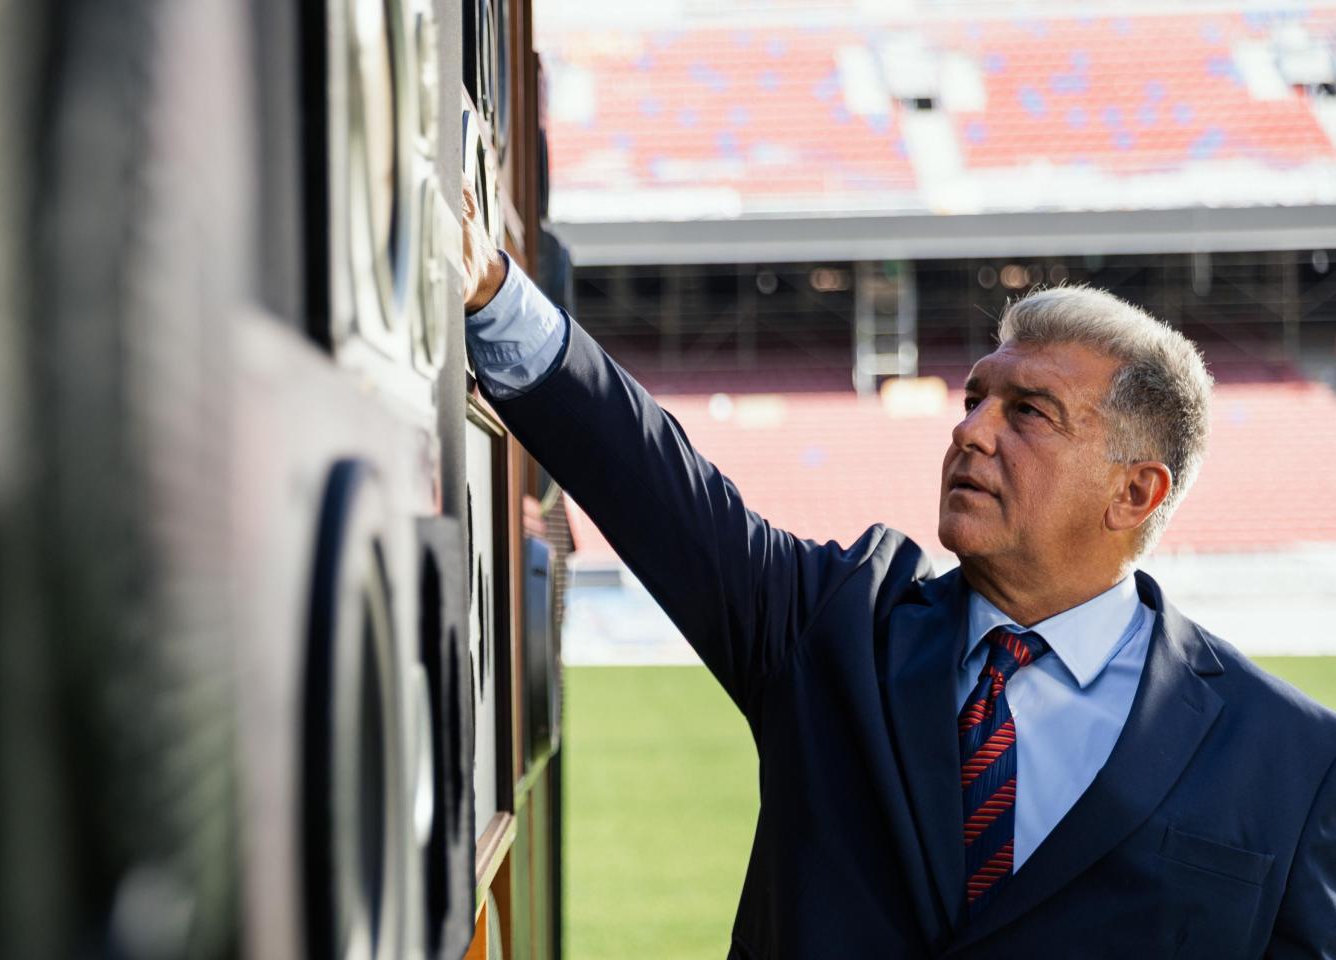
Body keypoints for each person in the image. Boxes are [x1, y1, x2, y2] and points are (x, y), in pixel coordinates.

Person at [457, 186, 1336, 958]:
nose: (970, 430)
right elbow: (657, 487)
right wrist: (493, 294)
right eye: (976, 398)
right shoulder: (831, 627)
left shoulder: (1291, 756)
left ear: (1135, 492)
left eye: (1028, 412)